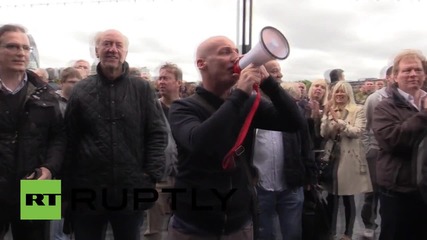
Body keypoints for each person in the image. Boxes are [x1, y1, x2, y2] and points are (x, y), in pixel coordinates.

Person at [167, 35, 304, 240]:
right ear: (201, 63)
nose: (236, 57)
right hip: (193, 226)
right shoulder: (183, 108)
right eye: (225, 52)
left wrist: (269, 85)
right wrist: (239, 93)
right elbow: (200, 143)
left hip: (239, 224)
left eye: (236, 51)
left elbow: (294, 123)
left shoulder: (246, 102)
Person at [62, 29, 167, 240]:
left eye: (118, 45)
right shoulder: (81, 89)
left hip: (130, 189)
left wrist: (150, 175)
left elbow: (156, 133)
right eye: (107, 44)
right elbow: (69, 139)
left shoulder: (142, 88)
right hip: (88, 191)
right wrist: (68, 187)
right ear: (96, 50)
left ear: (126, 52)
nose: (112, 49)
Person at [0, 24, 65, 240]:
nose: (21, 53)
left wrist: (49, 169)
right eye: (12, 46)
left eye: (25, 48)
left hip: (39, 183)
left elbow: (60, 137)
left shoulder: (47, 93)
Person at [252, 61, 317, 240]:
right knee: (264, 234)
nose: (279, 75)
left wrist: (310, 174)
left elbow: (305, 143)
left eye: (280, 71)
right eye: (274, 71)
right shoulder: (249, 107)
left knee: (293, 233)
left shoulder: (291, 109)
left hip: (291, 184)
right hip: (260, 186)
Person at [372, 49, 427, 240]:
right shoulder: (384, 107)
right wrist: (424, 115)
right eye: (407, 70)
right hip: (399, 191)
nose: (413, 74)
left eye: (418, 70)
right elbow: (392, 141)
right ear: (395, 77)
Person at [320, 81, 372, 240]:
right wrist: (327, 120)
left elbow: (357, 132)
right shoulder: (330, 109)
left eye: (343, 92)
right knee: (331, 196)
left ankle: (347, 233)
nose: (340, 95)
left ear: (349, 93)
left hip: (349, 159)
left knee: (348, 196)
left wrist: (339, 121)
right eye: (337, 92)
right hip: (331, 158)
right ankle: (330, 231)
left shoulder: (358, 110)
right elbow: (324, 134)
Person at [144, 62, 182, 240]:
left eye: (166, 78)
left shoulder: (188, 108)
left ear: (178, 82)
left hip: (184, 176)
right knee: (154, 229)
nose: (161, 82)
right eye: (159, 78)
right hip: (159, 177)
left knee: (183, 226)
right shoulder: (151, 109)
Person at [360, 66, 392, 239]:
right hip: (376, 151)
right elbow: (366, 127)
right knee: (371, 192)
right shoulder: (374, 98)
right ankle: (369, 225)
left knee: (392, 194)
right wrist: (368, 149)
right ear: (388, 77)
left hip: (396, 154)